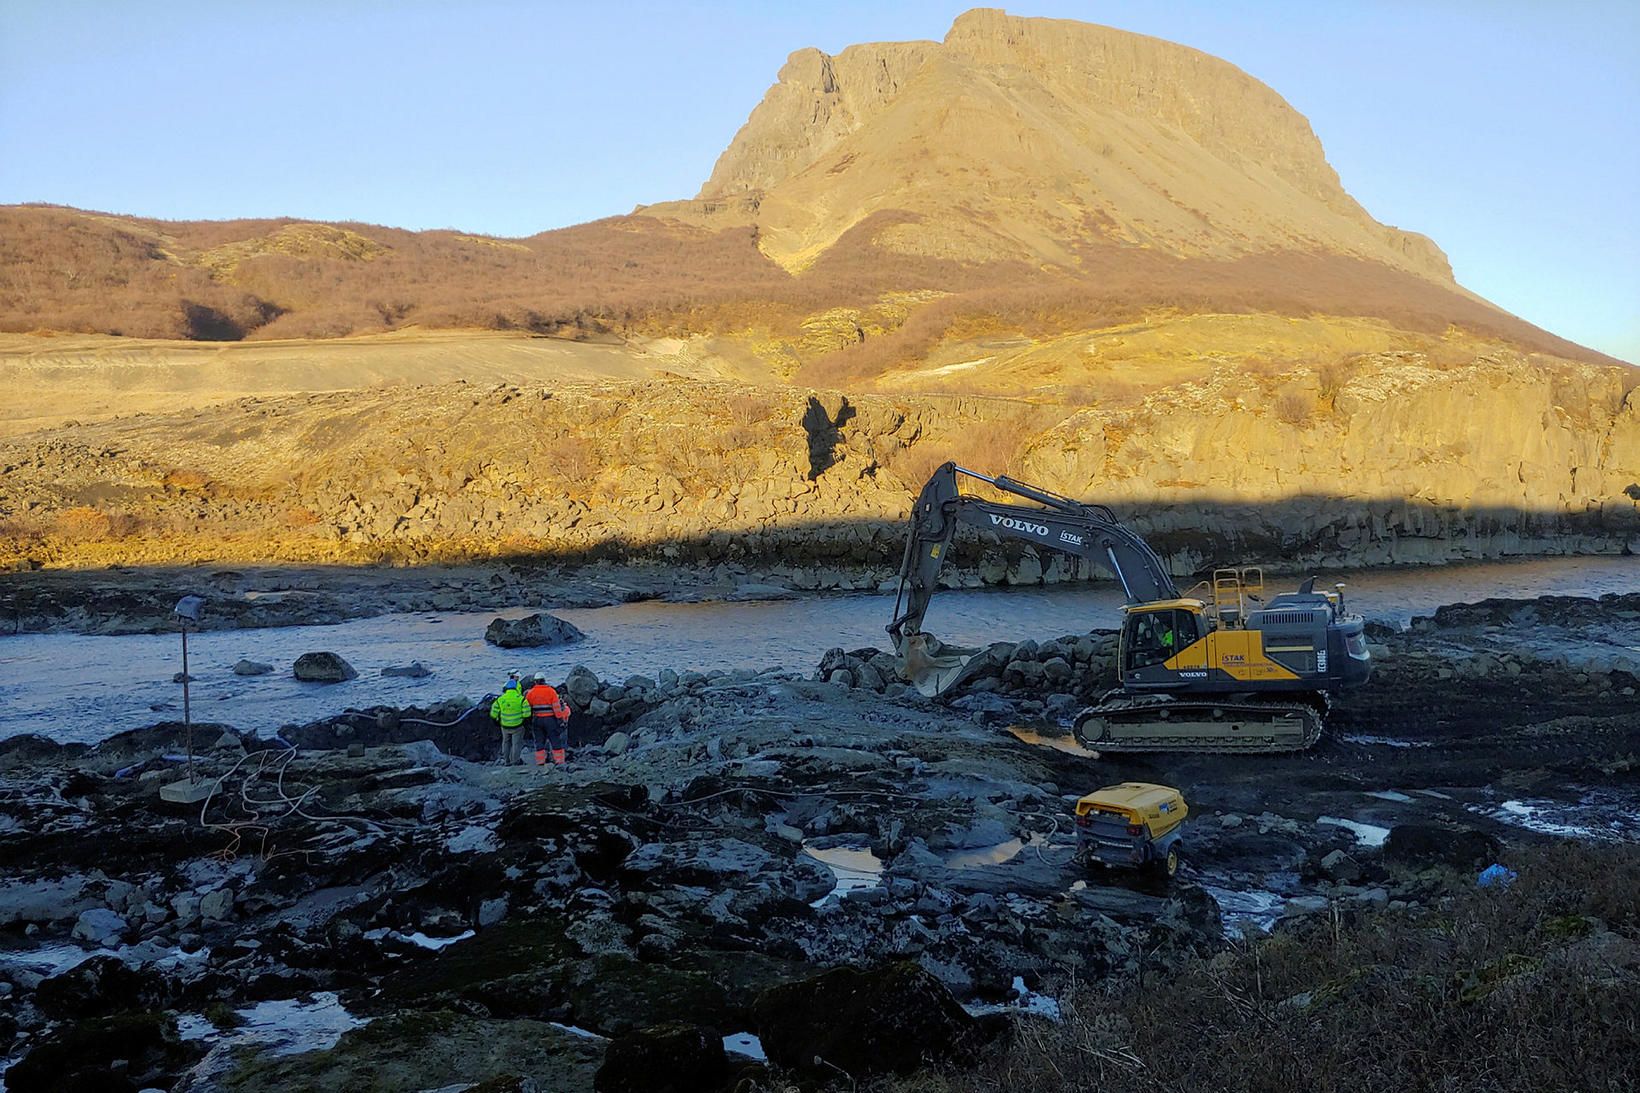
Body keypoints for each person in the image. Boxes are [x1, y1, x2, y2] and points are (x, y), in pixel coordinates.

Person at [524, 674, 572, 766]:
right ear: (544, 680)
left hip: (537, 719)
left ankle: (540, 761)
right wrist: (559, 719)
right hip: (550, 719)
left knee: (539, 741)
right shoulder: (551, 692)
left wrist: (529, 720)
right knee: (555, 740)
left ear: (535, 682)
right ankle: (559, 761)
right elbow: (556, 707)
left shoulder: (530, 693)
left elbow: (527, 708)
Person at [489, 678, 532, 766]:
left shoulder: (500, 699)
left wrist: (497, 722)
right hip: (517, 725)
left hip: (504, 725)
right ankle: (515, 761)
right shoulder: (521, 699)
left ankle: (506, 761)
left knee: (506, 742)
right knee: (516, 744)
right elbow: (527, 714)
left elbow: (493, 713)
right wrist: (524, 722)